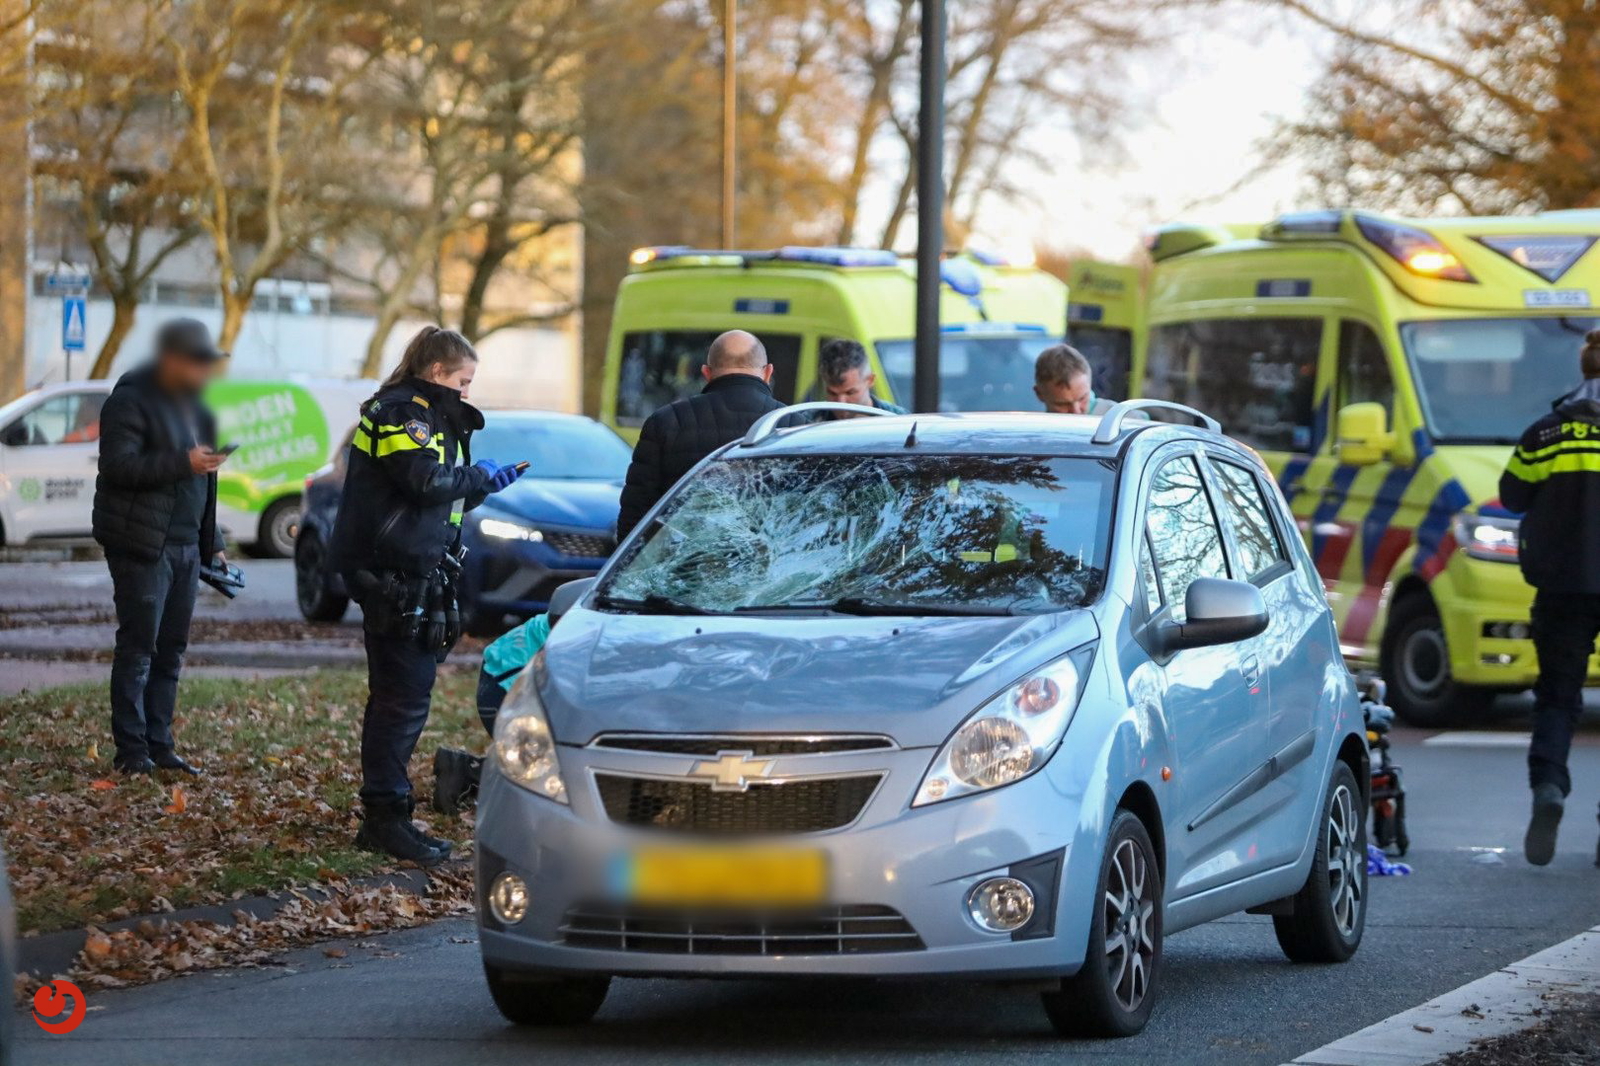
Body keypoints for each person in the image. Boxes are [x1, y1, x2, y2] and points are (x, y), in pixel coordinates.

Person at [329, 326, 524, 865]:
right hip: (390, 572)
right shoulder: (401, 414)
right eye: (463, 381)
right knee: (401, 700)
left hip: (414, 569)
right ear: (437, 371)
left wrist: (480, 486)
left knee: (402, 696)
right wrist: (474, 476)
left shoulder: (429, 415)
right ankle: (385, 819)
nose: (467, 391)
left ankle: (387, 814)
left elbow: (436, 501)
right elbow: (425, 482)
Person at [92, 318, 231, 776]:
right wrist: (182, 462)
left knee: (171, 650)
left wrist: (213, 541)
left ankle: (161, 744)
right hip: (142, 543)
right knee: (139, 648)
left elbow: (204, 483)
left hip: (187, 546)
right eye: (197, 363)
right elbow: (118, 466)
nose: (205, 372)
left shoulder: (197, 407)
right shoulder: (130, 400)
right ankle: (132, 751)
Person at [1499, 328, 1600, 867]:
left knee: (1558, 699)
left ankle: (1549, 788)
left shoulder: (1547, 433)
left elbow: (1511, 495)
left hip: (1562, 586)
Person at [616, 329, 786, 539]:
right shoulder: (792, 425)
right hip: (769, 559)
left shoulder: (666, 422)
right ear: (768, 373)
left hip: (677, 559)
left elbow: (635, 515)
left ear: (706, 373)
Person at [433, 611, 551, 816]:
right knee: (555, 764)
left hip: (505, 672)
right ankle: (466, 771)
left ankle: (466, 769)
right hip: (506, 682)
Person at [814, 339, 906, 418]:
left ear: (870, 380)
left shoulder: (899, 420)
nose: (841, 403)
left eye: (850, 393)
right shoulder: (810, 422)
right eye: (832, 393)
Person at [1034, 344, 1112, 416]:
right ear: (1039, 394)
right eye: (1063, 404)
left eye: (1082, 398)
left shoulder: (1116, 419)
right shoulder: (1035, 425)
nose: (1076, 411)